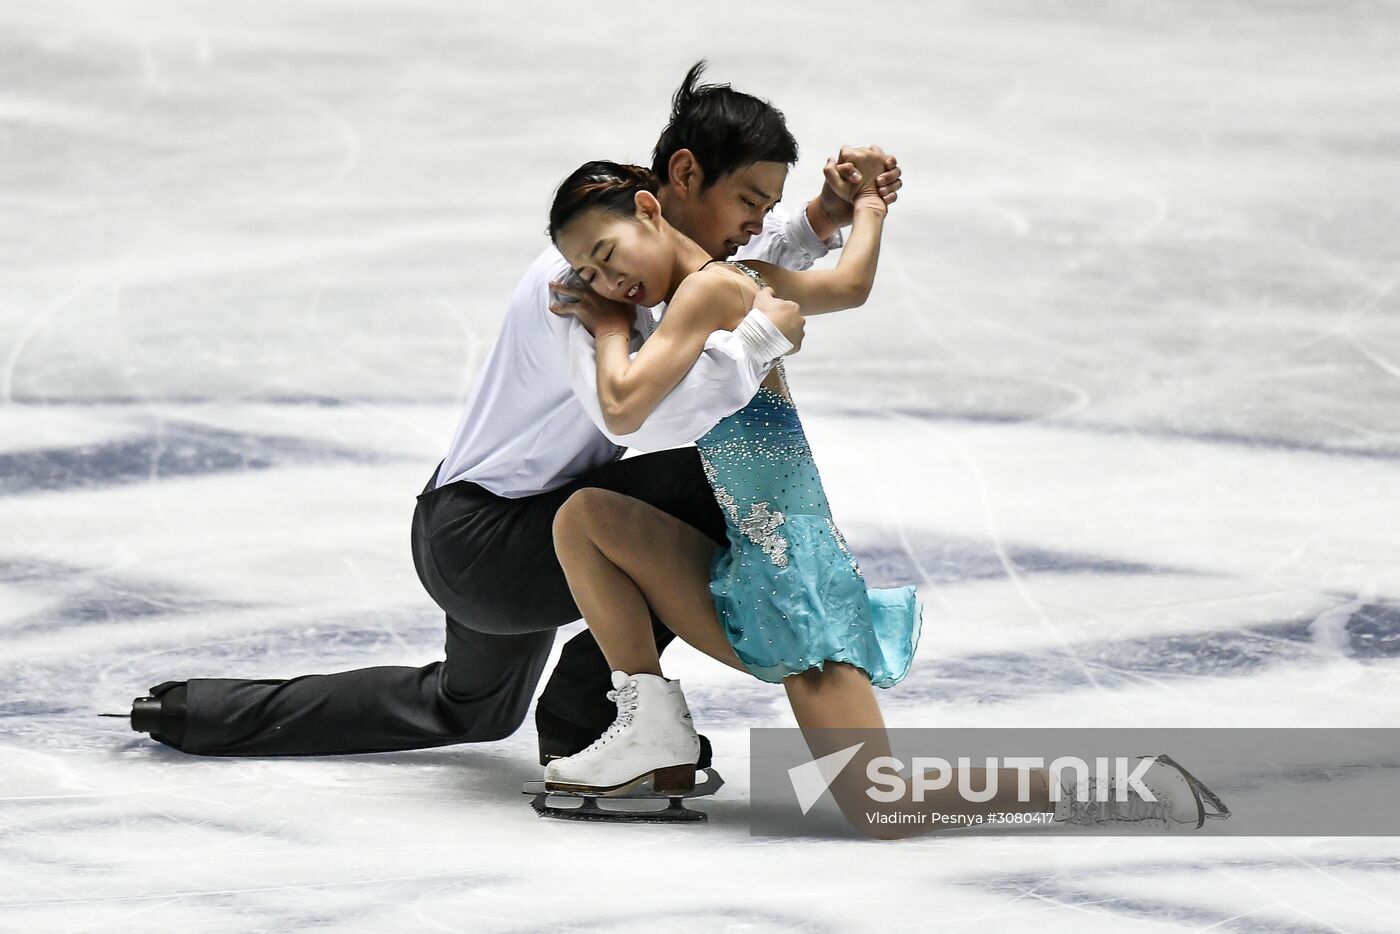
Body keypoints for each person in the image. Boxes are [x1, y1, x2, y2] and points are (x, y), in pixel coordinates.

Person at [126, 62, 905, 764]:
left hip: (500, 520)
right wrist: (752, 342)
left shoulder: (641, 241)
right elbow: (633, 418)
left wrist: (834, 210)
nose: (751, 219)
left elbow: (746, 258)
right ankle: (605, 719)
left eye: (761, 205)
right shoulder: (583, 281)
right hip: (483, 539)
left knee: (467, 707)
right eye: (746, 200)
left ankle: (197, 712)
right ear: (680, 175)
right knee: (704, 483)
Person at [540, 156, 1229, 838]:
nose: (607, 281)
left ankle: (1129, 784)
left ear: (653, 209)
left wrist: (604, 327)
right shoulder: (722, 283)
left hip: (794, 576)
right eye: (590, 273)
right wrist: (864, 207)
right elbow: (847, 283)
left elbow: (624, 405)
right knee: (586, 519)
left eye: (606, 256)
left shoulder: (711, 289)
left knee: (881, 804)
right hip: (746, 562)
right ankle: (653, 728)